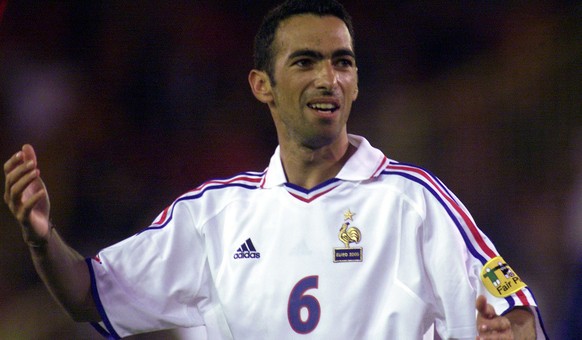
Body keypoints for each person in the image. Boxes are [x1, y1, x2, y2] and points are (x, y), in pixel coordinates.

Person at [3, 0, 547, 339]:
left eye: (343, 62)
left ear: (355, 83)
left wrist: (510, 335)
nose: (328, 78)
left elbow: (515, 312)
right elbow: (87, 295)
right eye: (305, 61)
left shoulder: (415, 202)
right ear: (261, 85)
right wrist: (40, 238)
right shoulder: (212, 217)